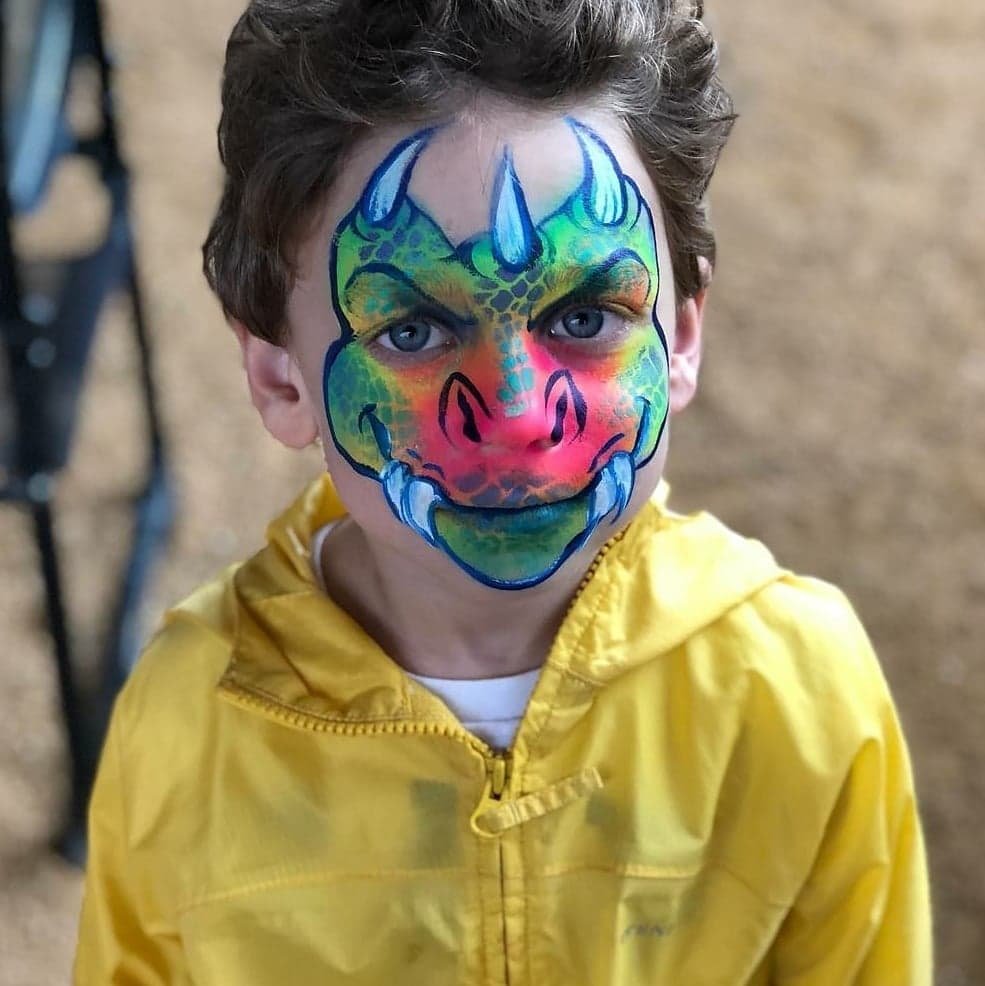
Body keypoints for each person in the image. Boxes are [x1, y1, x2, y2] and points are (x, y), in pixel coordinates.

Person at [73, 1, 932, 982]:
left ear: (682, 334)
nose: (519, 414)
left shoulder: (801, 691)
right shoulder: (185, 726)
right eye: (411, 332)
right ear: (280, 376)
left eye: (586, 316)